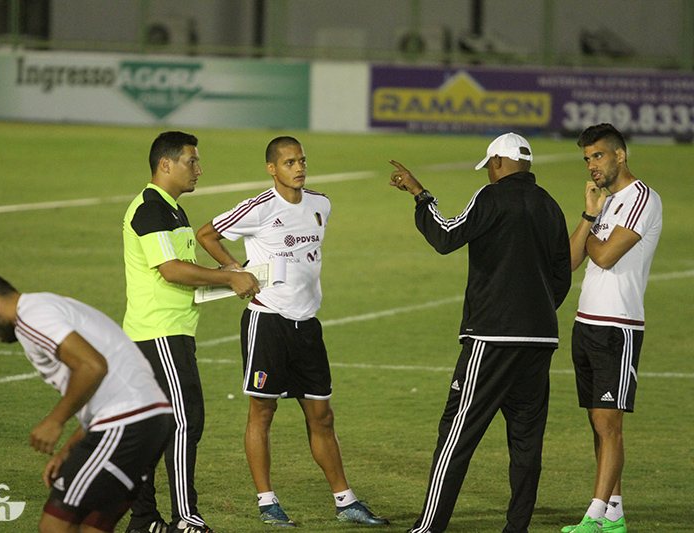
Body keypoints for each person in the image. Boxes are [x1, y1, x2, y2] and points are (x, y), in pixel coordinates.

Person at [196, 136, 389, 528]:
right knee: (262, 411)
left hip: (307, 326)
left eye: (301, 160)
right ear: (272, 169)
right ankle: (268, 503)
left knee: (322, 416)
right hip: (267, 322)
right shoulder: (260, 208)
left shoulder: (321, 204)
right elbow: (206, 234)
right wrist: (236, 271)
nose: (298, 168)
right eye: (288, 162)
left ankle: (345, 501)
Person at [389, 132, 572, 533]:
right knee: (526, 441)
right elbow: (562, 276)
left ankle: (428, 529)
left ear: (499, 163)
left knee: (457, 433)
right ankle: (516, 528)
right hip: (540, 340)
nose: (489, 172)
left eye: (490, 165)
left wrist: (421, 196)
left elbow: (445, 236)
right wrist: (535, 313)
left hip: (491, 338)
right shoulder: (552, 207)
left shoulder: (491, 198)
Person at [0, 272, 175, 533]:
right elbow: (100, 389)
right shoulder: (50, 306)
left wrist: (55, 420)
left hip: (126, 421)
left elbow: (92, 367)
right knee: (92, 526)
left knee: (55, 524)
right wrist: (69, 449)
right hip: (151, 419)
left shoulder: (32, 316)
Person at [122, 131, 260, 533]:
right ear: (165, 164)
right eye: (191, 162)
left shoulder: (172, 209)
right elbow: (173, 270)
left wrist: (228, 277)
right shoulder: (151, 208)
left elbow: (185, 270)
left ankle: (144, 520)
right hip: (160, 332)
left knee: (154, 428)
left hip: (165, 331)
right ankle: (187, 519)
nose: (199, 169)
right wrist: (226, 278)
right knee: (185, 423)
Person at [563, 123, 662, 533]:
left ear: (620, 155)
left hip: (617, 327)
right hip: (586, 323)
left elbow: (602, 256)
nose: (592, 165)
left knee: (609, 424)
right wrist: (589, 213)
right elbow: (568, 262)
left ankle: (594, 516)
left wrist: (593, 227)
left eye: (598, 156)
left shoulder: (642, 198)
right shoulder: (602, 201)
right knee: (598, 423)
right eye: (587, 158)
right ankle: (614, 515)